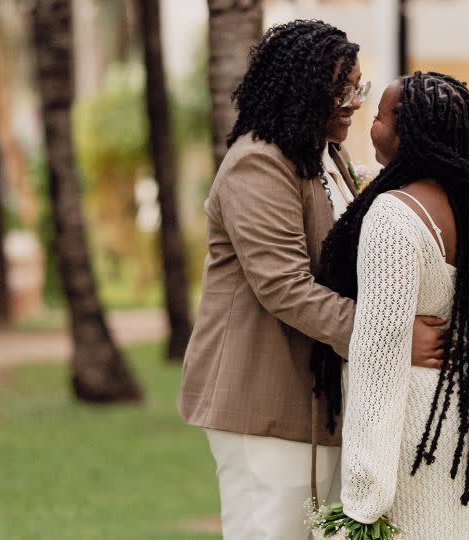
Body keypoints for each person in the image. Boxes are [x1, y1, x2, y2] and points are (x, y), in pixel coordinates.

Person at [177, 21, 444, 539]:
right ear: (300, 89)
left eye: (359, 88)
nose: (354, 103)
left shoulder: (326, 156)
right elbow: (284, 287)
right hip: (261, 396)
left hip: (315, 397)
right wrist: (390, 338)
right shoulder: (259, 162)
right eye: (341, 90)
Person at [311, 71, 469, 538]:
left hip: (414, 433)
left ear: (406, 134)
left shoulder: (393, 216)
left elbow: (379, 360)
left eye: (380, 117)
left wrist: (362, 497)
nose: (371, 126)